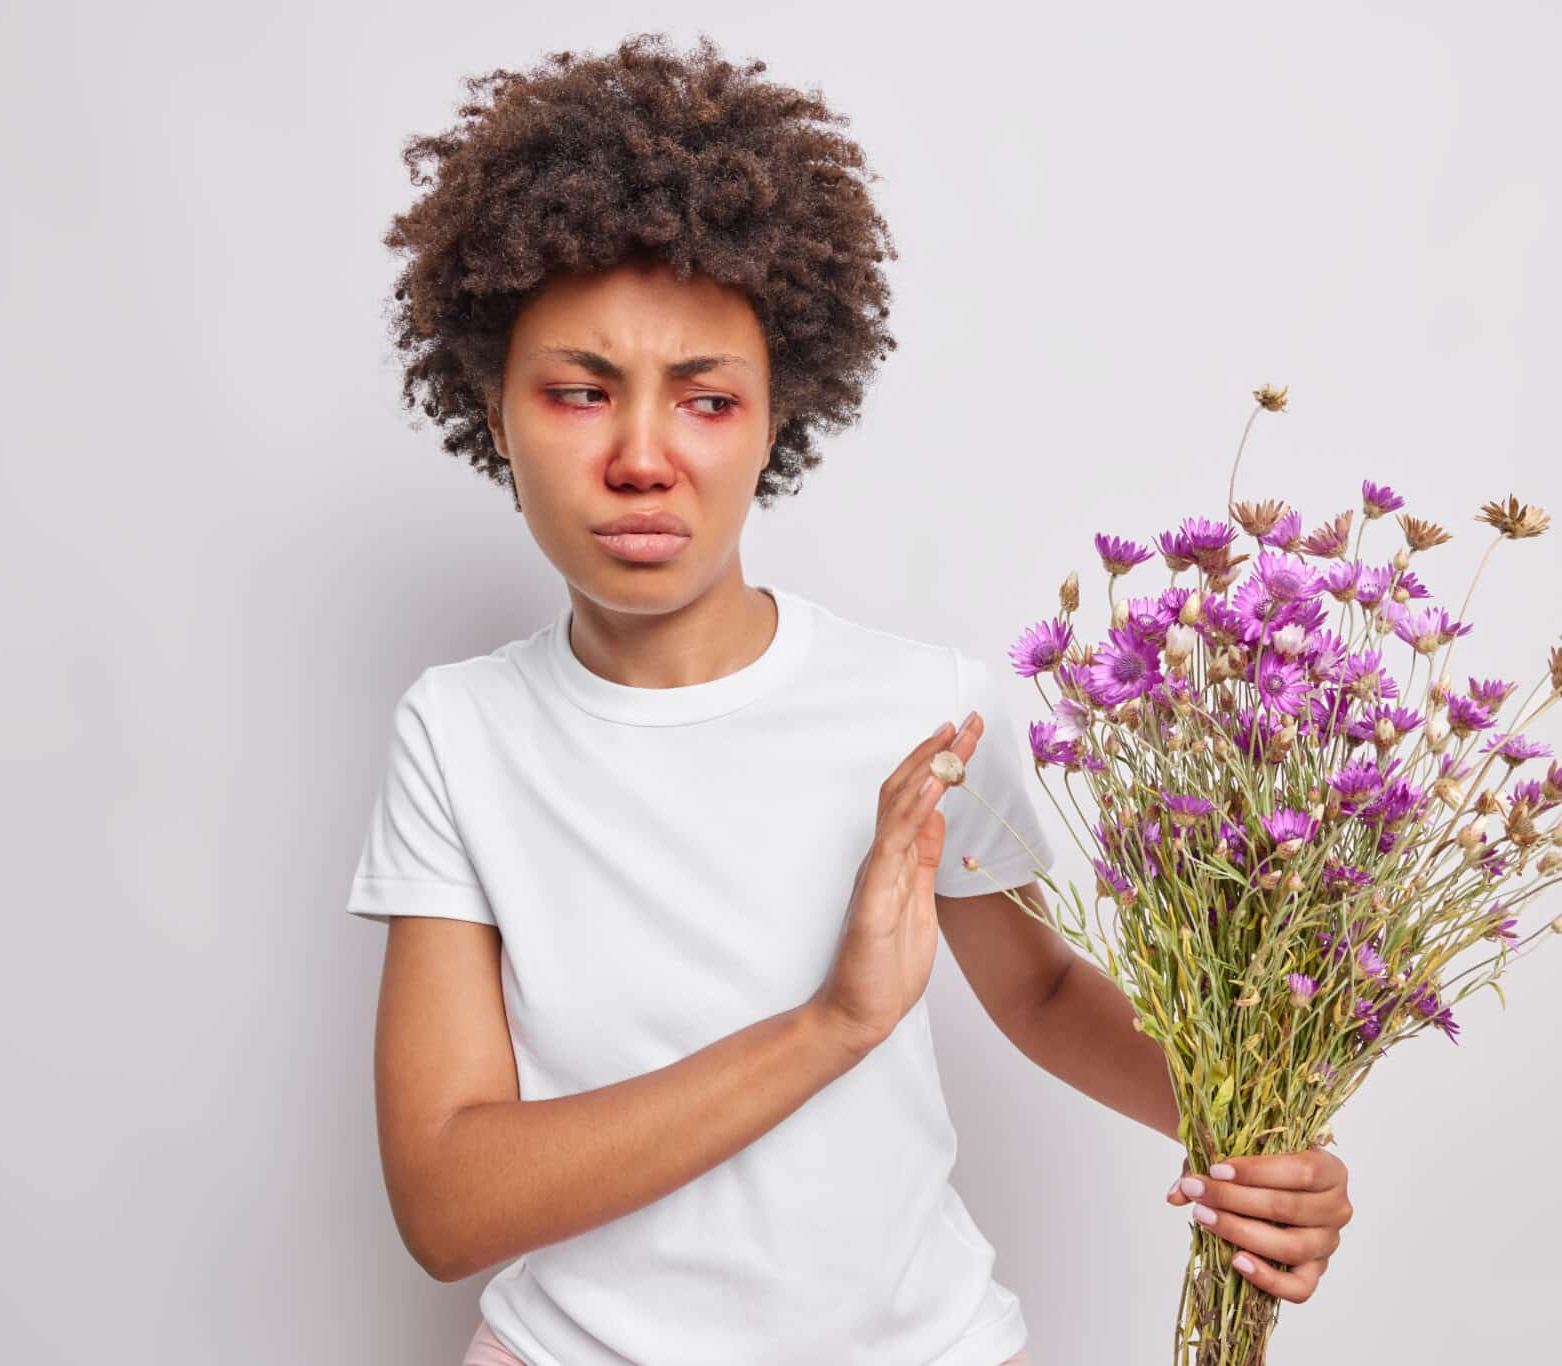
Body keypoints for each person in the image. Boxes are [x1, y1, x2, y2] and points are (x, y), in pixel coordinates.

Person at [342, 32, 1352, 1366]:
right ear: (494, 408)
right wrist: (831, 1024)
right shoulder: (460, 735)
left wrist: (1256, 1135)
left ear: (779, 416)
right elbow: (449, 1201)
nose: (641, 457)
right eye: (580, 392)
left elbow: (1044, 995)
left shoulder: (923, 708)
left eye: (707, 400)